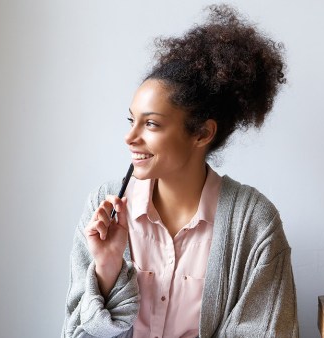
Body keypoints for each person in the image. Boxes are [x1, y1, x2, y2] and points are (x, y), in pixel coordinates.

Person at [62, 4, 298, 338]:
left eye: (152, 124)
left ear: (202, 133)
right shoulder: (104, 207)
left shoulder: (254, 223)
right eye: (132, 120)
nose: (130, 138)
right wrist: (108, 270)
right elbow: (76, 333)